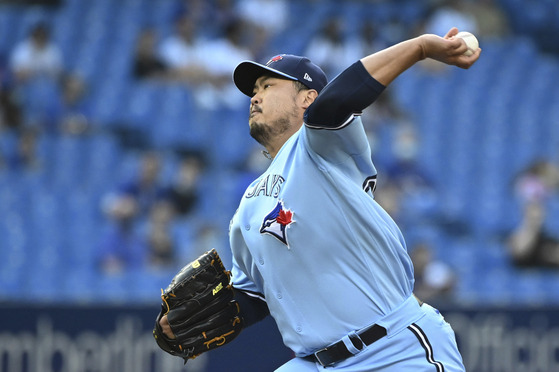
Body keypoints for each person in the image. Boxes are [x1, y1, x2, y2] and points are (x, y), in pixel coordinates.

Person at [160, 27, 480, 370]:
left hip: (394, 348)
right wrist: (187, 319)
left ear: (307, 98)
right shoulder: (248, 207)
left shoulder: (323, 147)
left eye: (268, 86)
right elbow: (253, 294)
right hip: (314, 363)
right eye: (254, 91)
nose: (254, 97)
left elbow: (336, 103)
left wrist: (419, 47)